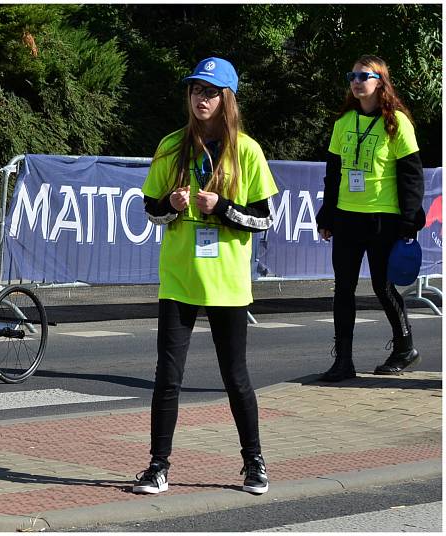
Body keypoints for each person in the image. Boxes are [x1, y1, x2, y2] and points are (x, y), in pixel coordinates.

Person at [134, 57, 278, 496]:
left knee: (236, 377)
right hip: (179, 280)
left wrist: (225, 209)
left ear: (226, 99)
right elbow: (151, 210)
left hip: (228, 284)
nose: (202, 98)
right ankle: (158, 466)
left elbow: (264, 219)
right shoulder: (172, 145)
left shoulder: (247, 150)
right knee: (167, 376)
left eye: (211, 92)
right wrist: (170, 207)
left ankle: (254, 463)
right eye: (196, 90)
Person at [316, 55, 425, 382]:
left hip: (384, 218)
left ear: (381, 82)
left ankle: (405, 348)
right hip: (348, 218)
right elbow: (333, 175)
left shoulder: (398, 122)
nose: (356, 80)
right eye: (353, 75)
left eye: (364, 75)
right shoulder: (344, 122)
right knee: (343, 290)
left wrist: (409, 219)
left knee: (382, 285)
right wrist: (327, 215)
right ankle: (343, 361)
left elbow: (411, 176)